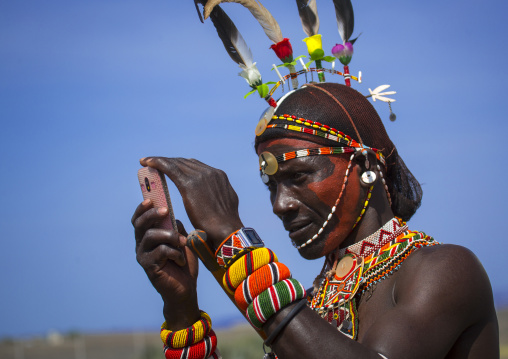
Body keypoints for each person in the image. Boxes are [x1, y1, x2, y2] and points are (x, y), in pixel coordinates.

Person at [132, 83, 499, 358]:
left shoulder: (445, 271)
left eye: (298, 176)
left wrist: (235, 240)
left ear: (366, 166)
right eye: (272, 186)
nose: (280, 204)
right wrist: (181, 306)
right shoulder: (313, 302)